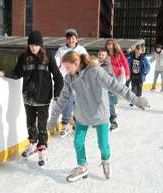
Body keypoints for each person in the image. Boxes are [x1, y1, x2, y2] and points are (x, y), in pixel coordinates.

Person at [47, 51, 148, 182]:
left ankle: (105, 160)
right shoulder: (69, 78)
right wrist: (53, 118)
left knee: (103, 145)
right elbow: (62, 99)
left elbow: (116, 86)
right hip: (82, 115)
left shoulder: (95, 72)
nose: (66, 70)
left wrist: (136, 99)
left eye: (67, 67)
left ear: (76, 63)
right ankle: (82, 167)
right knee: (78, 142)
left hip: (100, 115)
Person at [0, 31, 63, 166]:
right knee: (30, 123)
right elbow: (17, 73)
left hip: (43, 97)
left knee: (42, 125)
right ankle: (32, 144)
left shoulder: (48, 57)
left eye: (36, 45)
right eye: (31, 45)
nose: (34, 48)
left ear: (41, 45)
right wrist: (4, 72)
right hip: (28, 96)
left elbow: (58, 77)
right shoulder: (23, 57)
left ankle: (42, 150)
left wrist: (57, 93)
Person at [54, 28, 88, 137]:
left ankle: (77, 122)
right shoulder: (61, 50)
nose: (71, 40)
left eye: (73, 38)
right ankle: (65, 123)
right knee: (67, 100)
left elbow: (86, 63)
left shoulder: (81, 50)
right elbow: (55, 63)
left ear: (76, 39)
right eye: (69, 39)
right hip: (66, 79)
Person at [97, 48, 118, 131]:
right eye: (99, 54)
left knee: (109, 104)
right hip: (99, 90)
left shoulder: (107, 65)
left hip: (109, 89)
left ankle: (113, 121)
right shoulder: (96, 64)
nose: (101, 56)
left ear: (106, 56)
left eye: (103, 55)